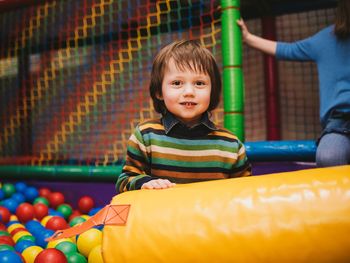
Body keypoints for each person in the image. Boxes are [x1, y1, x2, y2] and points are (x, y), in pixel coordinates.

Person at [116, 40, 251, 193]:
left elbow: (243, 193)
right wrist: (145, 183)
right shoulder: (146, 136)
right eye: (177, 83)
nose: (189, 92)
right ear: (159, 92)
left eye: (199, 83)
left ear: (212, 92)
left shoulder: (230, 145)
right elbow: (124, 181)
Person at [236, 0, 350, 167]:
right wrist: (249, 38)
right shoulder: (328, 40)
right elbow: (289, 50)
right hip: (341, 122)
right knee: (328, 156)